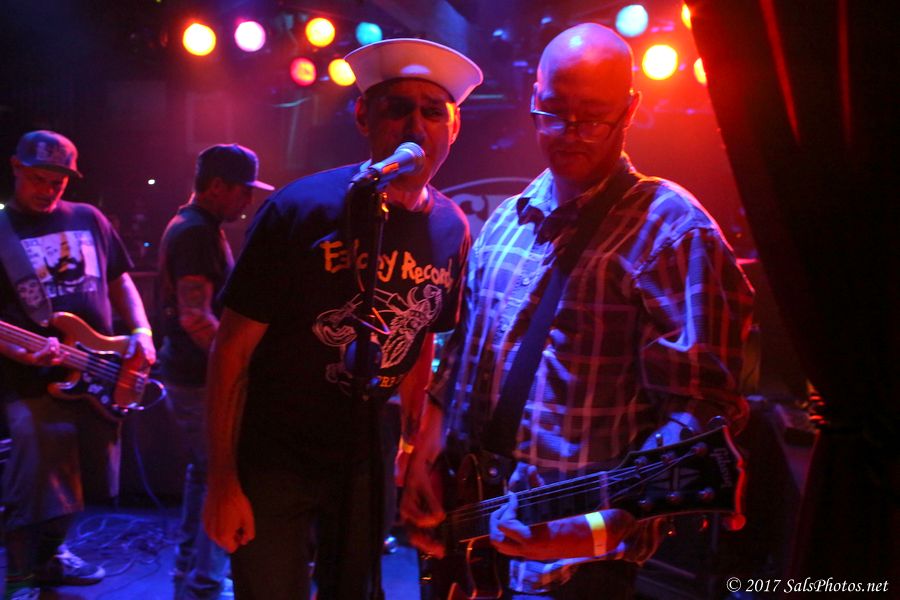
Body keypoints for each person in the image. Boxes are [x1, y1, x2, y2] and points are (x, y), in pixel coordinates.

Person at [401, 23, 755, 598]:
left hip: (580, 568)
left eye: (591, 117)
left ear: (630, 109)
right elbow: (462, 358)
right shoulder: (506, 220)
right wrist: (424, 456)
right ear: (533, 97)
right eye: (554, 111)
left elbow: (698, 413)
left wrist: (592, 530)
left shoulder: (673, 230)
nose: (569, 132)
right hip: (471, 538)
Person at [202, 38, 482, 599]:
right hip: (275, 448)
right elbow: (231, 350)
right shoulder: (299, 209)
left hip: (364, 451)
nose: (416, 126)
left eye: (434, 112)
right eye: (397, 108)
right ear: (362, 116)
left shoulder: (452, 227)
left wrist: (412, 454)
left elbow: (421, 338)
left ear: (453, 128)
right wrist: (222, 481)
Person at [0, 130, 156, 599]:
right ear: (16, 167)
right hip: (29, 380)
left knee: (84, 477)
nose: (48, 190)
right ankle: (20, 577)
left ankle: (52, 556)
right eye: (39, 179)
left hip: (98, 371)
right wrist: (20, 351)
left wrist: (142, 331)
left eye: (58, 182)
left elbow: (120, 280)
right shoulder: (3, 231)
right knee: (33, 478)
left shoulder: (89, 218)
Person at [158, 144, 273, 599]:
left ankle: (191, 575)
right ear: (217, 186)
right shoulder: (196, 234)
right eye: (243, 190)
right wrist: (235, 367)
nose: (248, 200)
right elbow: (195, 317)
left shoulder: (192, 225)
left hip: (186, 374)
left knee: (203, 472)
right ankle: (204, 584)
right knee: (221, 475)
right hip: (197, 378)